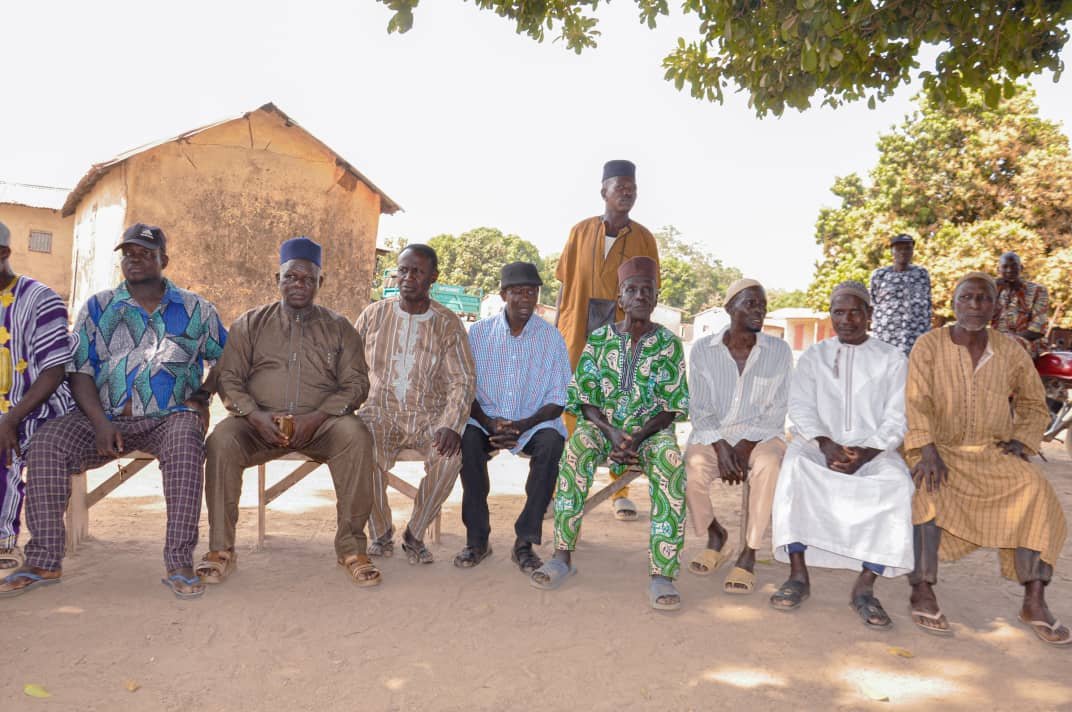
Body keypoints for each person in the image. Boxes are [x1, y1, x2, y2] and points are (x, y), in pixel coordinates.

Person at [0, 223, 226, 599]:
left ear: (163, 260)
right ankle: (43, 559)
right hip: (102, 418)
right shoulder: (98, 307)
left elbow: (226, 358)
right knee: (46, 443)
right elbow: (80, 370)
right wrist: (101, 423)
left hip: (168, 417)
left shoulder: (196, 309)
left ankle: (179, 562)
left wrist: (202, 397)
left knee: (186, 439)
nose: (135, 260)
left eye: (145, 253)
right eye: (128, 254)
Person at [198, 237, 380, 587]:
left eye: (308, 279)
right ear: (276, 279)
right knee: (221, 440)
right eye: (291, 277)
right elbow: (230, 378)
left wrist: (319, 416)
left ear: (320, 283)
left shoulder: (340, 328)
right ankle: (221, 550)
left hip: (323, 426)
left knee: (356, 437)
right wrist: (252, 415)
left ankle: (352, 549)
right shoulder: (250, 324)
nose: (299, 285)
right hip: (258, 424)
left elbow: (357, 385)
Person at [906, 272, 1069, 645]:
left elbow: (1032, 401)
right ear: (954, 303)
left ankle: (1034, 600)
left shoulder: (1010, 350)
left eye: (983, 299)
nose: (975, 306)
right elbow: (915, 402)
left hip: (989, 450)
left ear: (995, 308)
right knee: (927, 489)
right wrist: (926, 449)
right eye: (967, 298)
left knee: (1036, 491)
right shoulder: (928, 345)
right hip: (936, 447)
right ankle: (922, 588)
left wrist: (1022, 441)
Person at [531, 256, 689, 610]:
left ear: (656, 297)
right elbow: (583, 398)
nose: (639, 296)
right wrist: (611, 432)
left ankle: (662, 573)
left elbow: (671, 405)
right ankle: (561, 557)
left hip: (652, 432)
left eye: (647, 290)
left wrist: (640, 437)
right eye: (631, 290)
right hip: (604, 427)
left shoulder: (669, 344)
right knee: (576, 451)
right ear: (620, 298)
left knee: (671, 462)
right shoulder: (600, 339)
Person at [770, 281, 914, 629]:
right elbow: (800, 406)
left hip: (873, 449)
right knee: (794, 470)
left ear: (870, 314)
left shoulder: (892, 359)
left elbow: (898, 416)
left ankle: (865, 588)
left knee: (897, 485)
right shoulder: (815, 356)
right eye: (838, 312)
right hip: (819, 444)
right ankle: (798, 576)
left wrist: (867, 452)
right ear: (831, 315)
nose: (846, 319)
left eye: (855, 311)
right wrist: (823, 442)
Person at [354, 244, 476, 565]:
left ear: (433, 277)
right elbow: (350, 368)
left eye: (417, 271)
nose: (408, 278)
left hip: (429, 418)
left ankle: (415, 534)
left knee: (450, 458)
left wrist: (451, 423)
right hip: (380, 413)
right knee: (359, 449)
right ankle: (380, 532)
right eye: (403, 270)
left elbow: (462, 379)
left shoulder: (448, 323)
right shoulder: (373, 315)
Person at [555, 160, 660, 522]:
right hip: (576, 332)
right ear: (604, 192)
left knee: (621, 404)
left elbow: (649, 293)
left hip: (622, 336)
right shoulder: (580, 232)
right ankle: (564, 489)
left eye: (632, 188)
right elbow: (564, 287)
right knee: (572, 405)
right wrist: (558, 332)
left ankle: (620, 490)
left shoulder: (644, 238)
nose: (627, 193)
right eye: (620, 187)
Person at [455, 262, 572, 573]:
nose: (525, 299)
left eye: (532, 292)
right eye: (517, 292)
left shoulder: (551, 338)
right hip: (485, 420)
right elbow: (464, 389)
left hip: (532, 423)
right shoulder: (478, 334)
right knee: (467, 440)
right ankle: (477, 540)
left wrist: (522, 426)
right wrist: (491, 422)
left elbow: (558, 400)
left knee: (551, 444)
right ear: (503, 294)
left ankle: (525, 541)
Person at [684, 278, 792, 594]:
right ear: (730, 308)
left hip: (762, 436)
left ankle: (749, 552)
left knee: (769, 463)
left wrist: (745, 445)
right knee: (693, 464)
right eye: (750, 303)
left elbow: (778, 408)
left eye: (762, 305)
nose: (759, 310)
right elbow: (700, 406)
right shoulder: (704, 350)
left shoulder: (779, 351)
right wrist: (721, 445)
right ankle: (716, 534)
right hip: (714, 434)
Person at [0, 221, 76, 576]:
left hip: (37, 404)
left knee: (6, 436)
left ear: (3, 255)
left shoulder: (40, 299)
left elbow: (54, 371)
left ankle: (4, 541)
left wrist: (12, 417)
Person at [869, 233, 932, 356]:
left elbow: (928, 304)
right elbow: (873, 302)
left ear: (912, 251)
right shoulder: (879, 275)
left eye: (907, 248)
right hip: (886, 337)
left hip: (915, 335)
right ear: (892, 251)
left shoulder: (922, 274)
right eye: (899, 249)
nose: (903, 252)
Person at [991, 252, 1050, 357]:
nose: (1009, 270)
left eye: (1014, 266)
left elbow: (1038, 329)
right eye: (1005, 267)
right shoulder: (992, 290)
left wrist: (1008, 340)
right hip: (997, 343)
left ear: (1021, 268)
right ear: (998, 270)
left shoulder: (1038, 290)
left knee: (1007, 347)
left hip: (1028, 343)